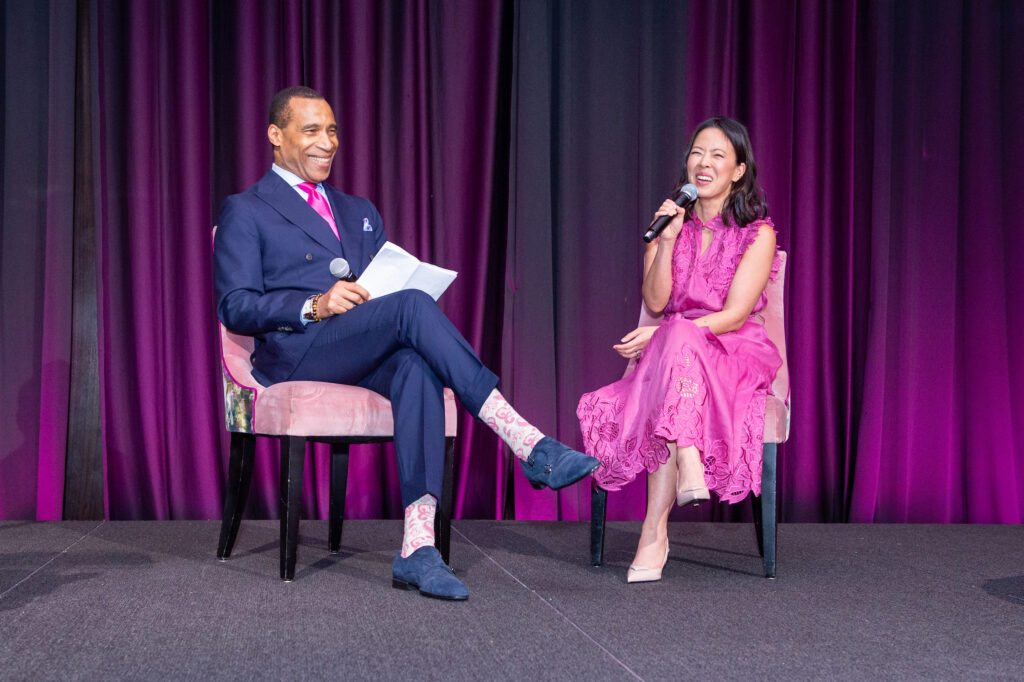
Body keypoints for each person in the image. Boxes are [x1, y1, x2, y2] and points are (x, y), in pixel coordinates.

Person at [214, 86, 598, 600]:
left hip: (355, 347)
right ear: (275, 136)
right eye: (310, 131)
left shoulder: (358, 209)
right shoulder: (247, 208)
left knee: (417, 364)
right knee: (413, 306)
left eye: (331, 130)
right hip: (297, 352)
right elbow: (235, 305)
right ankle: (525, 440)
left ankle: (417, 549)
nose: (326, 142)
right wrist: (314, 305)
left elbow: (379, 290)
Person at [576, 117, 782, 583]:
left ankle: (654, 530)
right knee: (677, 355)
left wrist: (664, 334)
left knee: (679, 339)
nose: (703, 163)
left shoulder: (758, 233)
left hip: (731, 351)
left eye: (717, 156)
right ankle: (684, 460)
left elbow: (733, 315)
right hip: (677, 358)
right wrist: (666, 240)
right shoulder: (669, 222)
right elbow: (655, 301)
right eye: (697, 153)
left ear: (738, 171)